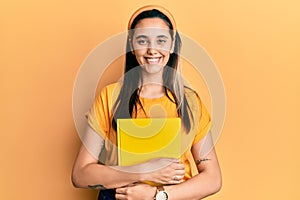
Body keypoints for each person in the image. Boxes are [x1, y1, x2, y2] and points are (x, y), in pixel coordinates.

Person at [72, 5, 222, 200]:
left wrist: (156, 195)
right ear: (132, 46)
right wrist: (143, 172)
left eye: (161, 40)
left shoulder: (190, 102)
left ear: (172, 46)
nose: (152, 50)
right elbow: (80, 175)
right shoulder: (110, 97)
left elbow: (213, 178)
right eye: (142, 40)